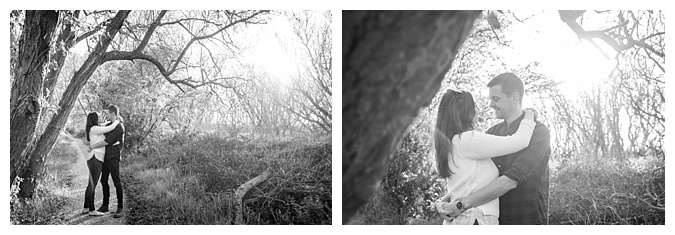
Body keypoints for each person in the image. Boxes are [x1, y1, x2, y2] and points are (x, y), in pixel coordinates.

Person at [438, 73, 551, 225]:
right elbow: (471, 178)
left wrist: (459, 205)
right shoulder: (491, 133)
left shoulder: (538, 132)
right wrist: (442, 204)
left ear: (515, 98)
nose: (490, 104)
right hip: (491, 220)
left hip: (526, 219)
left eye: (496, 99)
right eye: (490, 99)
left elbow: (511, 179)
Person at [89, 105, 126, 218]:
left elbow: (107, 141)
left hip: (113, 157)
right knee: (103, 180)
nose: (107, 115)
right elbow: (102, 134)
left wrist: (94, 146)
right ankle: (105, 205)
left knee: (116, 182)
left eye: (108, 114)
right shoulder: (110, 125)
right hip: (105, 157)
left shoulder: (119, 127)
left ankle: (120, 207)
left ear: (114, 114)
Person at [82, 112, 120, 216]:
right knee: (92, 184)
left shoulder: (94, 128)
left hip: (94, 157)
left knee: (90, 184)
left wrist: (111, 120)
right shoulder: (95, 129)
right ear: (94, 119)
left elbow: (104, 125)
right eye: (98, 117)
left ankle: (86, 207)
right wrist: (117, 120)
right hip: (96, 158)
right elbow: (110, 128)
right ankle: (92, 210)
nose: (100, 118)